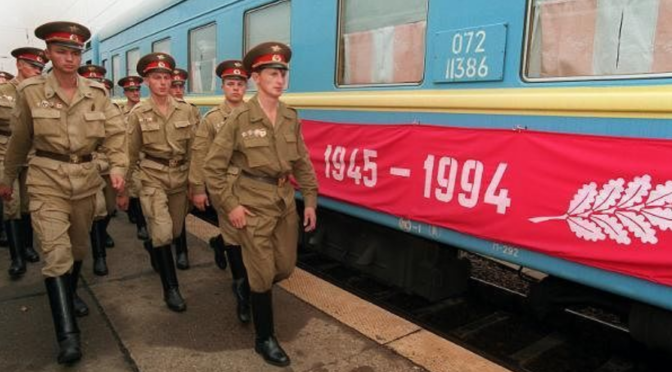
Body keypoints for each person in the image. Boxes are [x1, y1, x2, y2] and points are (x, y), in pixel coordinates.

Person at [0, 21, 127, 364]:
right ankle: (68, 337)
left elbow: (116, 135)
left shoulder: (97, 93)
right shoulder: (30, 92)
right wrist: (7, 178)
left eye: (74, 53)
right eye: (61, 52)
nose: (69, 59)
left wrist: (117, 168)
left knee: (78, 248)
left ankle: (68, 296)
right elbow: (19, 141)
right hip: (46, 179)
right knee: (56, 254)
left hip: (86, 181)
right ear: (49, 54)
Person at [203, 42, 318, 367]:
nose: (279, 79)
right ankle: (264, 338)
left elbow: (302, 162)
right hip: (251, 204)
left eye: (283, 73)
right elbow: (213, 167)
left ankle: (245, 287)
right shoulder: (240, 117)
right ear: (255, 77)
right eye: (272, 73)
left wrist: (309, 198)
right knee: (263, 274)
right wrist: (231, 206)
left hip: (283, 202)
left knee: (285, 267)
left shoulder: (289, 116)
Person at [117, 52, 198, 312]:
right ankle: (171, 289)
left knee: (173, 231)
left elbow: (197, 150)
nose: (163, 82)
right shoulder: (139, 113)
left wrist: (197, 185)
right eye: (156, 78)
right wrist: (124, 190)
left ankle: (153, 245)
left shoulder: (186, 110)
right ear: (147, 82)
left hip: (181, 175)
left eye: (166, 77)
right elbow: (129, 153)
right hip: (151, 175)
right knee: (163, 232)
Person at [190, 59, 251, 323]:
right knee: (235, 236)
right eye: (230, 84)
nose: (235, 88)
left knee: (249, 234)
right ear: (222, 86)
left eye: (240, 84)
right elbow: (200, 154)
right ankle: (241, 288)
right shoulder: (212, 119)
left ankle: (218, 243)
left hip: (252, 186)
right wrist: (198, 188)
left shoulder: (256, 114)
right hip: (223, 185)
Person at [0, 47, 46, 278]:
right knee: (12, 204)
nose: (37, 71)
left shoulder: (40, 94)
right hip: (4, 154)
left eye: (40, 68)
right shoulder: (3, 91)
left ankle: (28, 246)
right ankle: (17, 257)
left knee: (29, 204)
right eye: (33, 67)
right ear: (19, 64)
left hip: (31, 155)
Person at [76, 65, 116, 276]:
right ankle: (99, 257)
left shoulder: (110, 108)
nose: (97, 85)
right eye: (92, 80)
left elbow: (118, 138)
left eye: (100, 80)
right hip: (87, 167)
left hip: (107, 166)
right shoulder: (73, 109)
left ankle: (99, 234)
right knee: (98, 211)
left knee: (109, 208)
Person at [168, 67, 198, 270]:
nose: (178, 90)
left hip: (183, 168)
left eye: (181, 86)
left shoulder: (191, 110)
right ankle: (180, 252)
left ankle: (178, 248)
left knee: (181, 213)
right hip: (157, 172)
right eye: (174, 86)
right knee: (161, 218)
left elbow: (197, 144)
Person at [118, 75, 149, 241]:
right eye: (131, 90)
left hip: (144, 157)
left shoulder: (146, 110)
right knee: (135, 190)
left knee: (142, 191)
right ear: (125, 92)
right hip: (128, 157)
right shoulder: (119, 112)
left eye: (137, 89)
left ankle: (142, 219)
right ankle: (141, 225)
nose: (135, 93)